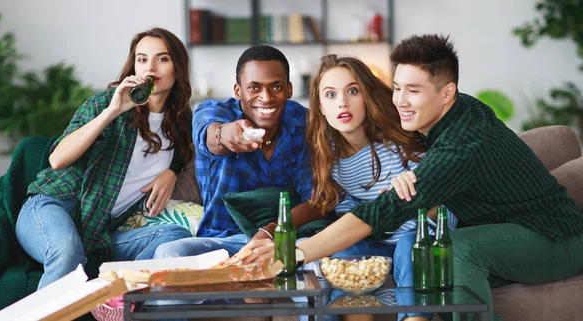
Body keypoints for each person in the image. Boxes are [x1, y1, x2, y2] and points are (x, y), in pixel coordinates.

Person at [242, 34, 583, 321]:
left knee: (459, 250)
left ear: (446, 93)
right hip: (506, 235)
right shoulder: (455, 111)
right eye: (397, 88)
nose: (401, 101)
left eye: (414, 91)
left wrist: (293, 254)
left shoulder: (461, 146)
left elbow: (382, 212)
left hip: (556, 239)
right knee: (439, 261)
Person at [15, 28, 194, 289]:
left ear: (178, 68)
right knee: (68, 251)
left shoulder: (181, 121)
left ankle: (115, 297)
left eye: (162, 59)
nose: (150, 67)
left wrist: (172, 172)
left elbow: (185, 151)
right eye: (142, 59)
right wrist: (113, 111)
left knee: (175, 235)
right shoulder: (107, 103)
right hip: (53, 206)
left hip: (98, 230)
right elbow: (57, 160)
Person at [305, 53, 458, 321]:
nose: (342, 102)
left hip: (423, 233)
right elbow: (350, 217)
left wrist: (404, 203)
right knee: (345, 255)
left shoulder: (400, 138)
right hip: (378, 241)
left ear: (367, 96)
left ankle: (415, 317)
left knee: (411, 245)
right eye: (330, 95)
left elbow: (442, 204)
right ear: (320, 107)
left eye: (352, 91)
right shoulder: (328, 157)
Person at [153, 45, 320, 259]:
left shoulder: (305, 124)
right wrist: (225, 135)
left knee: (322, 254)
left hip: (288, 237)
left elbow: (317, 200)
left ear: (289, 89)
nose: (266, 97)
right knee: (170, 251)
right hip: (225, 240)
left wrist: (270, 232)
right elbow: (211, 135)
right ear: (237, 90)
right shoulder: (213, 111)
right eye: (254, 88)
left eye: (276, 87)